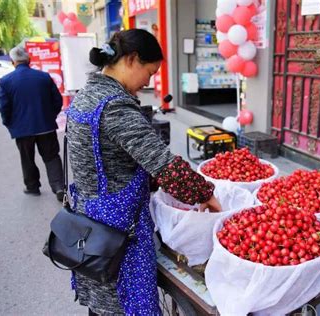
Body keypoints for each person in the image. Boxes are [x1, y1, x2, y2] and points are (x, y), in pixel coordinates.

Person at [65, 29, 221, 315]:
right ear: (132, 59)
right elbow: (164, 164)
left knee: (103, 298)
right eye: (149, 72)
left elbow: (113, 157)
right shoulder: (114, 107)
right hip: (117, 228)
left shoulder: (87, 94)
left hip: (90, 217)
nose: (149, 81)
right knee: (122, 301)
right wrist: (205, 195)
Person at [0, 46, 64, 201]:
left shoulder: (6, 81)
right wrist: (49, 116)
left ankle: (32, 187)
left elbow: (4, 107)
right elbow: (57, 100)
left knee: (27, 158)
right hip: (46, 126)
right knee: (52, 156)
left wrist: (9, 123)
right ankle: (59, 187)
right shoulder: (44, 77)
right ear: (29, 60)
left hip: (22, 130)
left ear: (13, 62)